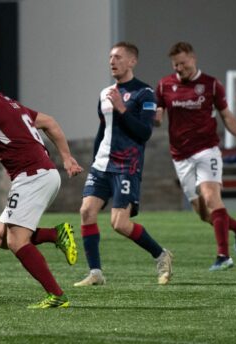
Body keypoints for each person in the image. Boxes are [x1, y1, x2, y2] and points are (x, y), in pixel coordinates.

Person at [0, 60, 83, 308]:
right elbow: (50, 122)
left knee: (16, 241)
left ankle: (57, 296)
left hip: (32, 177)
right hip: (42, 174)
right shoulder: (10, 104)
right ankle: (56, 234)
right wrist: (66, 157)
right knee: (0, 236)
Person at [74, 42, 173, 287]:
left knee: (119, 223)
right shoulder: (104, 93)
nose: (112, 61)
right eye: (110, 57)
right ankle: (96, 273)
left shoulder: (144, 93)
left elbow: (144, 132)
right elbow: (102, 130)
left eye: (118, 57)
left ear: (132, 61)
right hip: (101, 166)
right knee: (86, 212)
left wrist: (121, 108)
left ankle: (161, 255)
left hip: (127, 165)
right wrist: (93, 160)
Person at [155, 42, 236, 271]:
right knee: (203, 214)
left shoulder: (210, 84)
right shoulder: (164, 85)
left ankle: (223, 256)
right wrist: (154, 119)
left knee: (211, 197)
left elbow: (226, 116)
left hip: (206, 149)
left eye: (183, 63)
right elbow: (158, 113)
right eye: (175, 64)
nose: (180, 68)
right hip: (180, 156)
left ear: (193, 59)